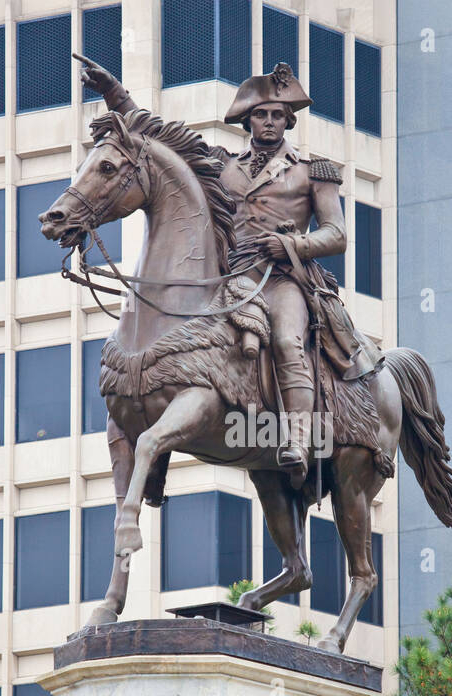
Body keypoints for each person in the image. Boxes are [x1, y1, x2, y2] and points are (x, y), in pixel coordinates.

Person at [76, 55, 381, 485]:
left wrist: (293, 243)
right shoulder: (223, 165)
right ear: (248, 120)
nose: (270, 122)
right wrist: (115, 95)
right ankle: (154, 443)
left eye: (278, 115)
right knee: (166, 337)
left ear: (289, 121)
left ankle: (294, 436)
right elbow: (156, 137)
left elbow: (337, 235)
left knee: (286, 338)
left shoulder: (313, 173)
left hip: (281, 278)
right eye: (262, 115)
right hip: (227, 279)